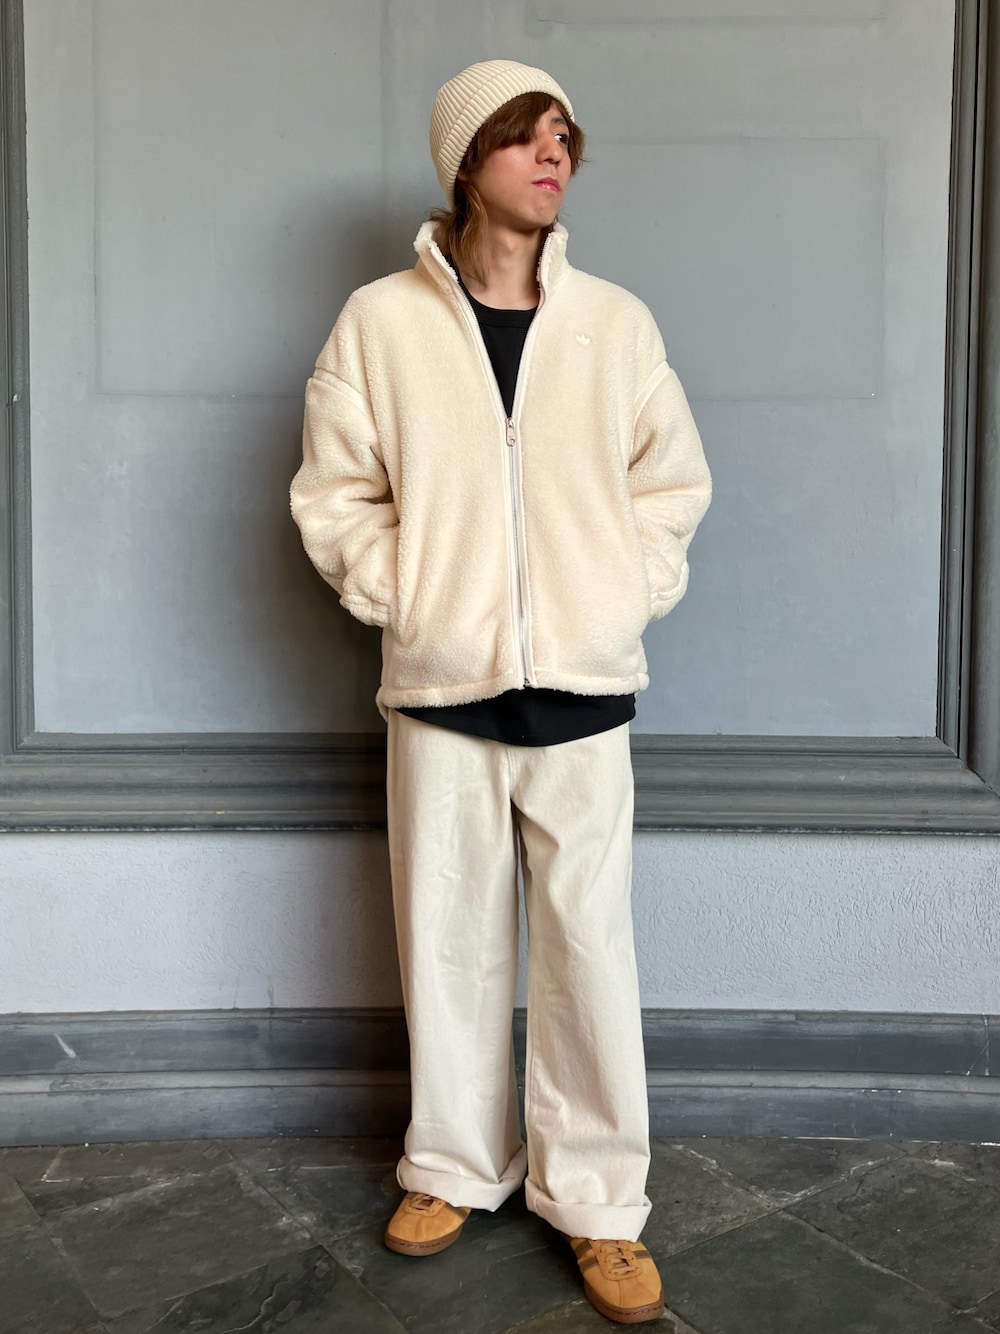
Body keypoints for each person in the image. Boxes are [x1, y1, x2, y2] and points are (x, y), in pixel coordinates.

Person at [290, 58, 712, 1326]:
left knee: (588, 955)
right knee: (449, 939)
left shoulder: (615, 324)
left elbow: (671, 484)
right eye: (526, 138)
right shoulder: (382, 323)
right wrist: (410, 597)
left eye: (564, 138)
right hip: (443, 686)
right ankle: (452, 1166)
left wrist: (619, 593)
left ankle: (598, 1200)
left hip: (583, 687)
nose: (553, 157)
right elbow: (334, 493)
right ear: (465, 162)